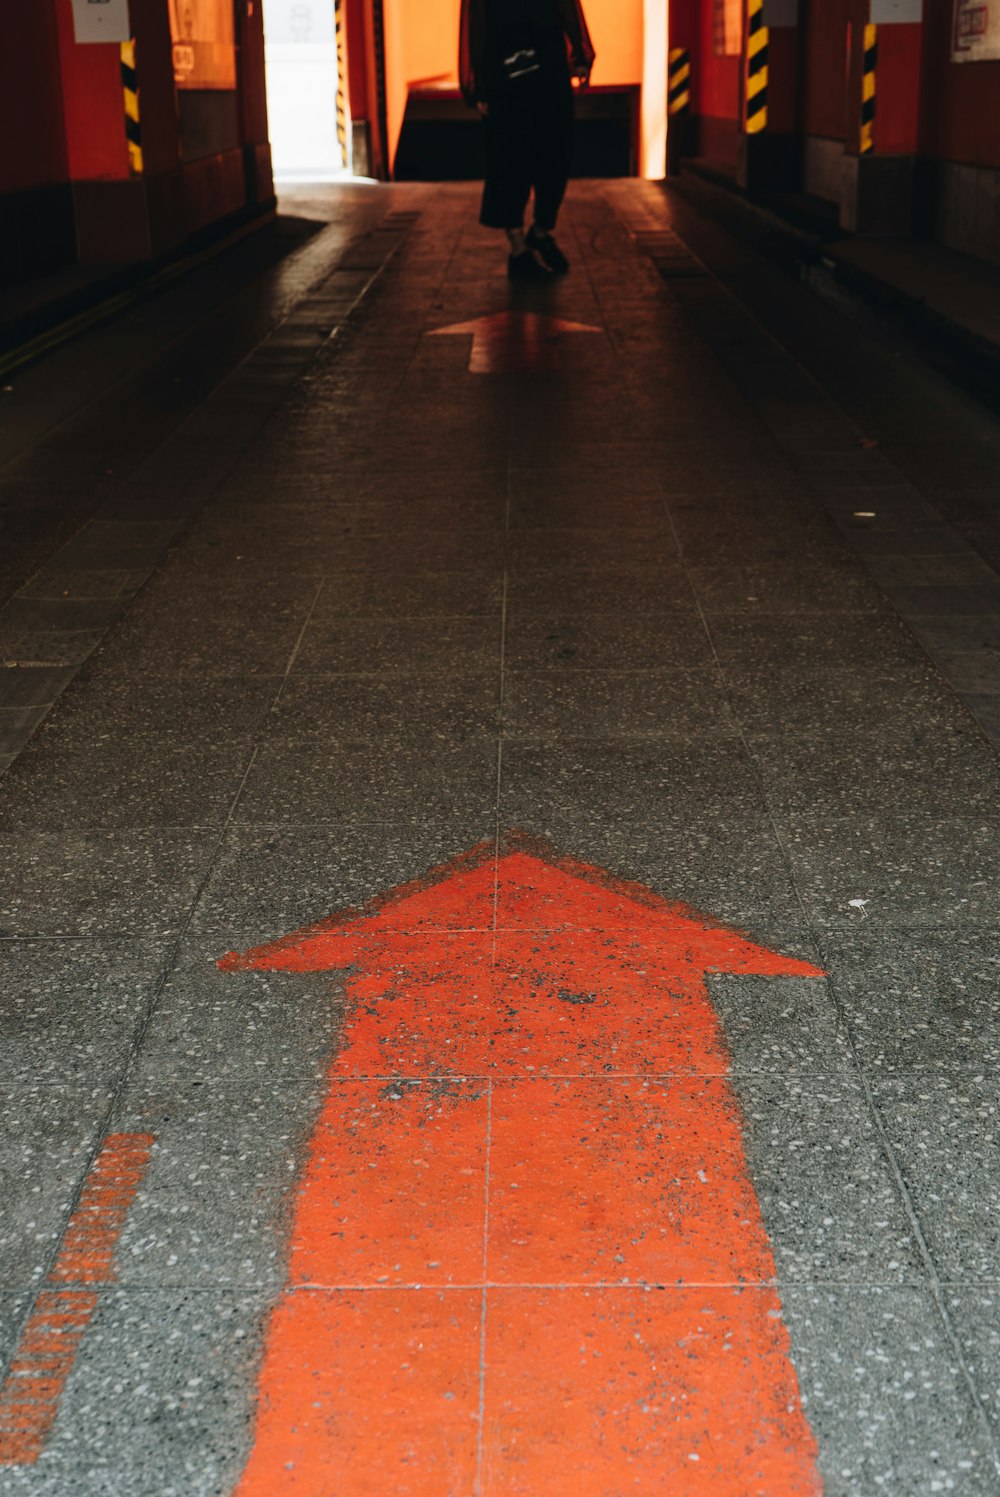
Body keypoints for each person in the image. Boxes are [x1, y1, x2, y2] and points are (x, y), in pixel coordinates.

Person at [460, 0, 595, 281]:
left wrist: (580, 54)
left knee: (556, 155)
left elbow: (567, 5)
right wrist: (480, 86)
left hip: (549, 63)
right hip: (506, 71)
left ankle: (540, 231)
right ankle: (519, 249)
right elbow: (476, 23)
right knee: (510, 161)